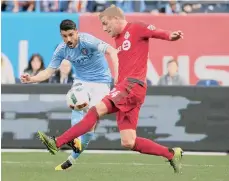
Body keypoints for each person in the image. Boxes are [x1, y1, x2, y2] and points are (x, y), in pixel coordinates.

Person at [37, 5, 184, 173]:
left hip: (132, 86)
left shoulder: (136, 27)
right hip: (128, 89)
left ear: (116, 19)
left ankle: (57, 143)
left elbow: (156, 32)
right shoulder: (119, 39)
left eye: (106, 24)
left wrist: (170, 35)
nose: (104, 28)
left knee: (94, 111)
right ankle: (172, 154)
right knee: (129, 141)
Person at [20, 19, 119, 171]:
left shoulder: (88, 41)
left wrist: (118, 78)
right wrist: (32, 79)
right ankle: (74, 141)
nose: (68, 39)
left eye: (71, 35)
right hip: (81, 81)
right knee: (75, 101)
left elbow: (112, 51)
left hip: (101, 82)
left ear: (77, 32)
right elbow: (48, 71)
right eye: (64, 36)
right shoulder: (62, 49)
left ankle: (72, 158)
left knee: (90, 122)